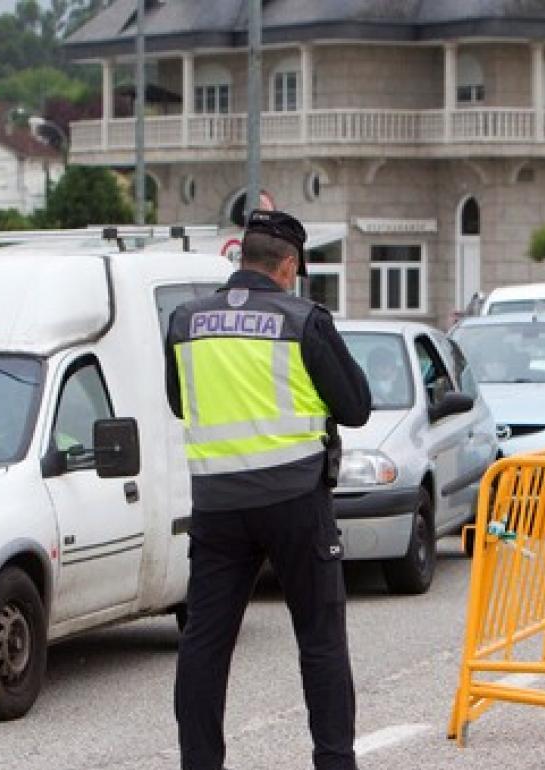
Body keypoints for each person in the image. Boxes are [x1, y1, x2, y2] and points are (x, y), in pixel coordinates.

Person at [164, 209, 372, 770]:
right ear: (288, 266)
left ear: (240, 259)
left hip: (218, 506)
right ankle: (334, 763)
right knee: (320, 641)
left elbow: (180, 403)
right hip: (295, 501)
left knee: (204, 646)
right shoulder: (302, 319)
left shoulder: (186, 321)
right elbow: (355, 406)